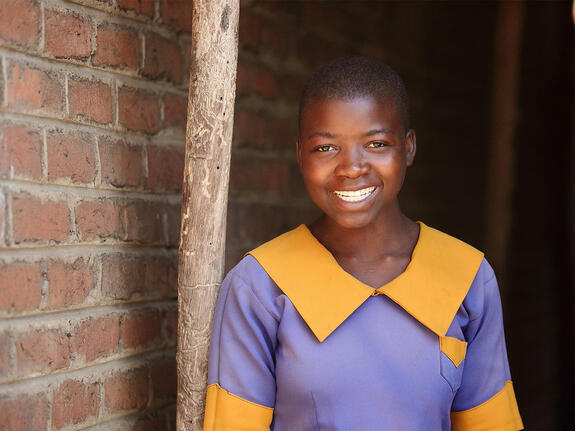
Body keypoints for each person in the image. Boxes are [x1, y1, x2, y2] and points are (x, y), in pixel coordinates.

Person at [203, 57, 523, 431]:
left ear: (408, 148)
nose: (352, 167)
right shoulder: (258, 286)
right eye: (325, 148)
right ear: (300, 154)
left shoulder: (466, 277)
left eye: (376, 143)